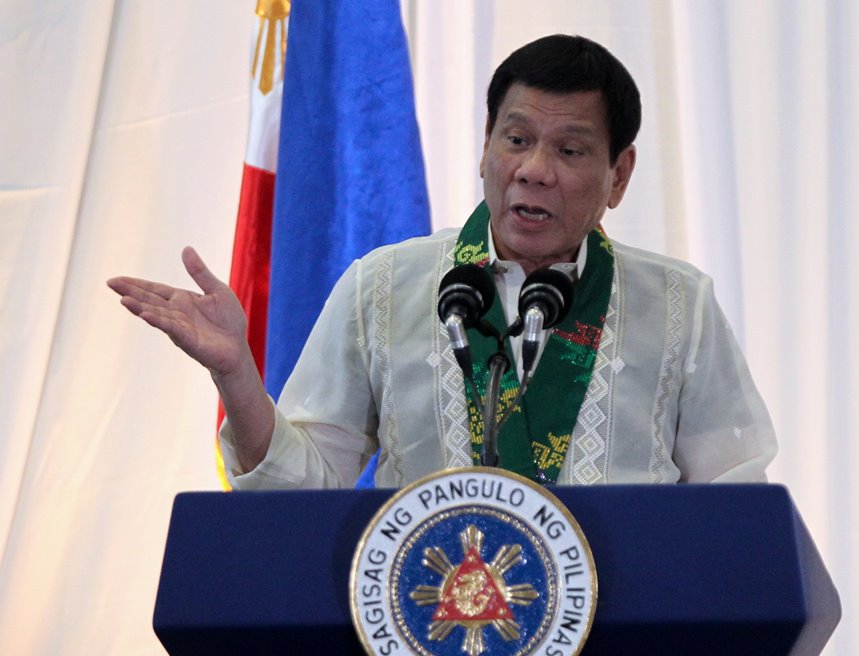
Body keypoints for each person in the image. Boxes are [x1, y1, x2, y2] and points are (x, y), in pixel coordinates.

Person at [108, 34, 776, 492]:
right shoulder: (383, 288)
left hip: (615, 652)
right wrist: (237, 378)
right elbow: (302, 491)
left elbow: (737, 509)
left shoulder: (679, 304)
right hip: (422, 644)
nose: (534, 169)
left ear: (619, 175)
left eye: (570, 150)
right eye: (516, 139)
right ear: (485, 146)